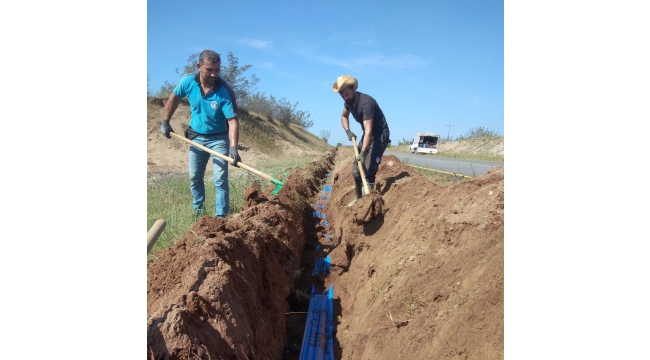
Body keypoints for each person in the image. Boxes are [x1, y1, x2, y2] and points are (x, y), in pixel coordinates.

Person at [160, 50, 241, 219]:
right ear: (199, 66)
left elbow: (233, 121)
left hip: (218, 138)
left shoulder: (224, 91)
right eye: (209, 70)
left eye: (217, 70)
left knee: (220, 180)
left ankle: (221, 218)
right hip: (196, 136)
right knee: (195, 177)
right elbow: (174, 97)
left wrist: (233, 148)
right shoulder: (188, 81)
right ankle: (198, 213)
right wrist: (166, 122)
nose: (214, 74)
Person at [332, 75, 390, 206]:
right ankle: (358, 199)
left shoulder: (366, 103)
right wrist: (348, 131)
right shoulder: (348, 103)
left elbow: (369, 130)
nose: (346, 97)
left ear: (353, 89)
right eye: (343, 96)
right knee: (356, 171)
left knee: (369, 169)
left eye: (347, 93)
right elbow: (343, 117)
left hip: (379, 134)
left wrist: (363, 154)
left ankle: (367, 204)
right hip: (367, 134)